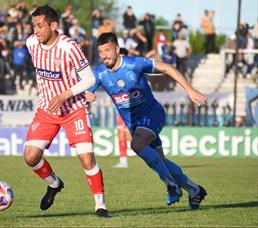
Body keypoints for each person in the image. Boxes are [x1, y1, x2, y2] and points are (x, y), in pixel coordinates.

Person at [86, 32, 208, 209]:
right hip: (136, 124)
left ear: (117, 50)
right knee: (161, 161)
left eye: (107, 50)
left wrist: (190, 90)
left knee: (136, 145)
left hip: (153, 114)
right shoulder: (99, 72)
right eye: (100, 52)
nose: (104, 55)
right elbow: (86, 91)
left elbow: (168, 68)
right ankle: (195, 190)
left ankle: (171, 185)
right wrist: (87, 96)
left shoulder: (134, 64)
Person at [24, 5, 109, 217]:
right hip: (47, 109)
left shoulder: (69, 47)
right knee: (30, 157)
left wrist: (63, 95)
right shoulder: (31, 43)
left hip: (73, 109)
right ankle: (54, 184)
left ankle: (100, 205)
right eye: (34, 25)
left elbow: (89, 79)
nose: (36, 30)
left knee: (86, 158)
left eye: (40, 25)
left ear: (54, 25)